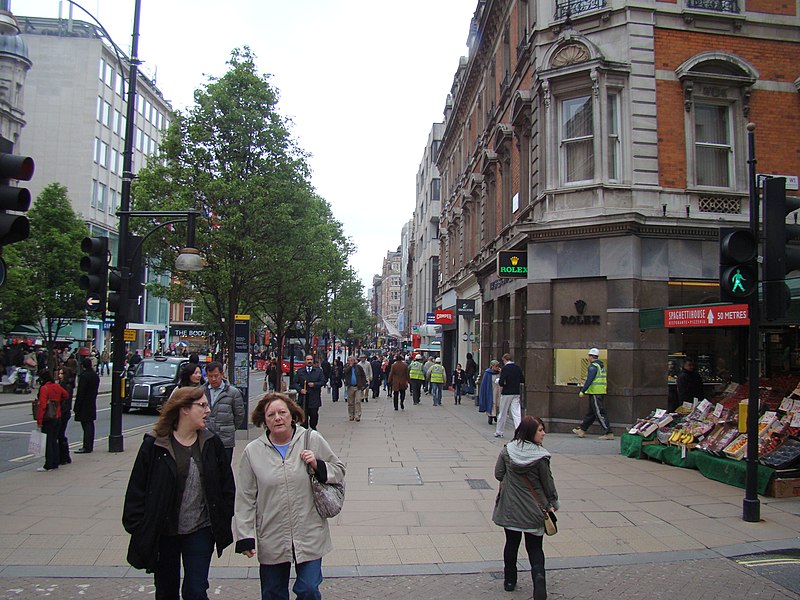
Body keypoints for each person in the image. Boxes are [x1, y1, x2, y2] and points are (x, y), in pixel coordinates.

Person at [123, 386, 235, 599]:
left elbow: (226, 487)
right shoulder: (154, 444)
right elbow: (137, 487)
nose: (208, 410)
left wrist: (222, 518)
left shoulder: (212, 443)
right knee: (166, 590)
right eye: (202, 405)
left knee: (196, 590)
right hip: (164, 532)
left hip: (201, 530)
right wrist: (138, 526)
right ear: (184, 409)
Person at [235, 393, 345, 600]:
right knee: (273, 592)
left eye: (282, 413)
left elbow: (338, 470)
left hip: (309, 530)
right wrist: (245, 536)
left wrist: (317, 464)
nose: (277, 418)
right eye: (271, 415)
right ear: (264, 420)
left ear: (292, 415)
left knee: (309, 589)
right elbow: (245, 497)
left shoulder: (311, 439)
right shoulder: (253, 451)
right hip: (272, 534)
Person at [492, 416, 559, 600]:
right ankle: (538, 578)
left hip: (511, 509)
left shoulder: (507, 451)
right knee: (535, 548)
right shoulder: (541, 456)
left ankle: (509, 580)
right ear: (530, 433)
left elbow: (498, 474)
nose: (543, 433)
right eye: (540, 430)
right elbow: (548, 484)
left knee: (511, 544)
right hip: (534, 510)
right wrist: (553, 504)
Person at [203, 361, 245, 463]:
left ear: (222, 374)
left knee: (224, 469)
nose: (213, 379)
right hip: (205, 437)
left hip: (225, 439)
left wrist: (230, 428)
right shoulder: (202, 391)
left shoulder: (233, 392)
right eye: (210, 376)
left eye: (216, 376)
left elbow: (239, 415)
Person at [572, 348, 613, 440]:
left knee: (599, 413)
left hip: (596, 393)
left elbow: (589, 380)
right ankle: (582, 430)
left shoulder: (593, 367)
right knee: (591, 413)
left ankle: (608, 432)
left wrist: (583, 390)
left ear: (590, 356)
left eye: (589, 356)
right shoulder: (601, 366)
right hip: (599, 392)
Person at [35, 369, 68, 472]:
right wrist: (57, 401)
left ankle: (48, 464)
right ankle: (55, 462)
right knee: (54, 440)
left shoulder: (45, 388)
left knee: (48, 442)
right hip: (57, 416)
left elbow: (42, 406)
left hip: (48, 418)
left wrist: (39, 421)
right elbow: (66, 395)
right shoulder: (57, 386)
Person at [74, 357, 100, 454]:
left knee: (86, 426)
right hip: (91, 402)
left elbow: (81, 393)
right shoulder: (94, 375)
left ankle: (86, 446)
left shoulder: (84, 376)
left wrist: (76, 407)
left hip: (84, 404)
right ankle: (89, 445)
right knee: (90, 425)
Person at [293, 355, 326, 431]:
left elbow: (323, 381)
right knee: (304, 417)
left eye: (311, 359)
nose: (309, 361)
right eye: (308, 360)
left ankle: (313, 428)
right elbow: (294, 383)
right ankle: (304, 431)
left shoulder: (318, 371)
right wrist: (300, 390)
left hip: (314, 397)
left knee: (314, 415)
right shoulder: (300, 371)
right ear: (305, 361)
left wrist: (315, 384)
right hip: (303, 399)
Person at [495, 354, 525, 438]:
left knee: (503, 412)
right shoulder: (517, 367)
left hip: (506, 393)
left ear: (505, 360)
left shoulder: (505, 368)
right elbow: (522, 379)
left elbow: (501, 382)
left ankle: (499, 431)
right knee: (516, 413)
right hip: (516, 392)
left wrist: (498, 381)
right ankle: (519, 432)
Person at [57, 365, 76, 465]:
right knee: (61, 435)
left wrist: (61, 412)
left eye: (61, 373)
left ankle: (64, 457)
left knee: (60, 435)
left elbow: (65, 401)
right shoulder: (64, 384)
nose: (59, 375)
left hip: (63, 413)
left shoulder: (66, 385)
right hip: (65, 412)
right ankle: (65, 457)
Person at [343, 356, 367, 422]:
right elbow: (345, 372)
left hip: (358, 387)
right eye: (349, 360)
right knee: (350, 402)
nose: (351, 362)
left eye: (352, 360)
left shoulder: (358, 367)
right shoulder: (346, 367)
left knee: (358, 401)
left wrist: (364, 384)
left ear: (354, 361)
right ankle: (351, 415)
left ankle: (357, 415)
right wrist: (350, 366)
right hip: (350, 386)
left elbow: (363, 375)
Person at [479, 360, 502, 425]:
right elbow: (484, 384)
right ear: (492, 366)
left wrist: (501, 372)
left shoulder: (499, 373)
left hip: (499, 390)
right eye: (496, 366)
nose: (497, 367)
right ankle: (491, 416)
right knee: (492, 402)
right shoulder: (487, 373)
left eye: (498, 366)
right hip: (491, 390)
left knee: (498, 403)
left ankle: (496, 415)